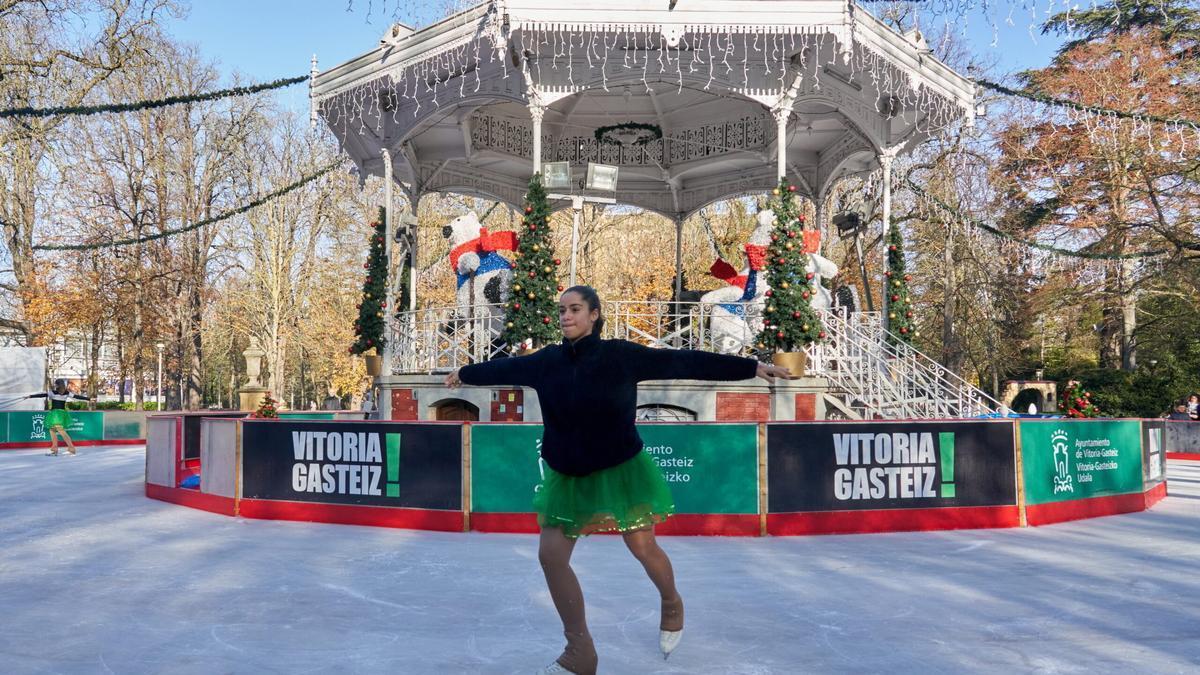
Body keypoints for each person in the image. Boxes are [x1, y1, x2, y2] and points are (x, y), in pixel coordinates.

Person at [445, 285, 793, 674]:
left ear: (594, 314)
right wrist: (464, 372)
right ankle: (580, 652)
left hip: (619, 467)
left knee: (642, 546)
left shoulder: (621, 357)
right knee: (551, 557)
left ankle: (671, 600)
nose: (565, 316)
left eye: (574, 309)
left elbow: (682, 362)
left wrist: (749, 367)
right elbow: (502, 368)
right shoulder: (546, 362)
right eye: (561, 310)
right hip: (569, 474)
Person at [27, 379, 91, 456]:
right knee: (52, 430)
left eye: (56, 384)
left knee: (60, 431)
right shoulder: (66, 393)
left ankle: (71, 449)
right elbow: (77, 397)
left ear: (58, 385)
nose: (55, 385)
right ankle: (55, 449)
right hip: (61, 413)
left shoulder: (54, 393)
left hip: (55, 414)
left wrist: (30, 396)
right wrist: (89, 399)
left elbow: (42, 395)